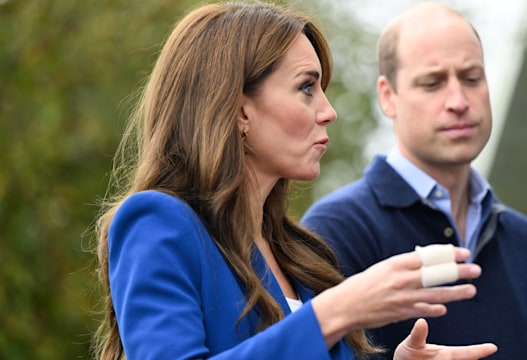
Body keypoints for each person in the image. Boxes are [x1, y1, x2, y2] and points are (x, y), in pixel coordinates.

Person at [91, 2, 499, 359]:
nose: (328, 111)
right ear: (239, 110)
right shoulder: (156, 222)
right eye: (306, 88)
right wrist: (336, 311)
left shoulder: (299, 255)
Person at [302, 2, 527, 360]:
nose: (458, 101)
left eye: (472, 77)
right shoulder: (334, 232)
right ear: (387, 96)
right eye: (433, 82)